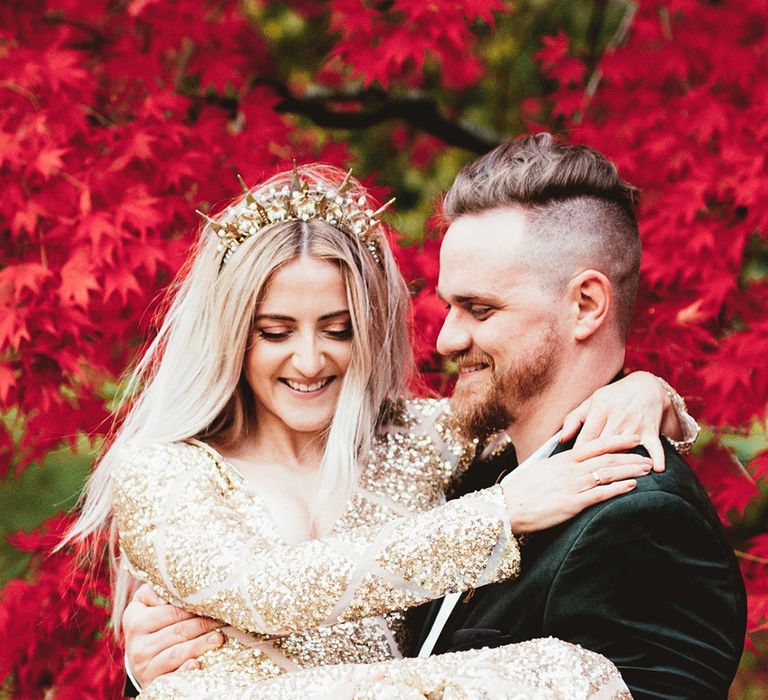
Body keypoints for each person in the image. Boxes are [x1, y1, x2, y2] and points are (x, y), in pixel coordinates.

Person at [74, 162, 694, 698]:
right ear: (232, 334)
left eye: (338, 329)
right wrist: (497, 515)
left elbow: (537, 402)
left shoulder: (419, 441)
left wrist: (642, 389)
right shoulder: (164, 471)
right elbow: (264, 589)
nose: (311, 361)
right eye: (275, 332)